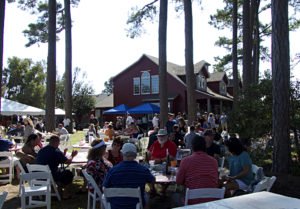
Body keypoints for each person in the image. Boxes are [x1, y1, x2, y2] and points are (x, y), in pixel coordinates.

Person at [103, 143, 155, 209]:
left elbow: (105, 187)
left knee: (103, 197)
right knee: (147, 196)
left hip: (116, 205)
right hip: (136, 205)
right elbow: (152, 180)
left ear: (122, 154)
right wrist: (151, 188)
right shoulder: (143, 170)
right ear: (136, 155)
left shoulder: (112, 171)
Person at [176, 135, 219, 205]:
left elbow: (178, 181)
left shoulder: (185, 161)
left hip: (192, 202)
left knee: (174, 196)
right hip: (212, 201)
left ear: (192, 147)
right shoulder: (214, 161)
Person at [36, 135, 78, 199]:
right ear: (56, 142)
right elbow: (67, 162)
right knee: (69, 174)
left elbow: (60, 159)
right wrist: (73, 156)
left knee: (60, 170)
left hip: (39, 174)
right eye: (59, 143)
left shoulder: (41, 150)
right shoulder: (56, 151)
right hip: (51, 175)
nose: (59, 144)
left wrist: (64, 153)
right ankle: (65, 194)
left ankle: (55, 189)